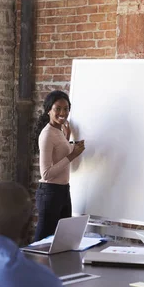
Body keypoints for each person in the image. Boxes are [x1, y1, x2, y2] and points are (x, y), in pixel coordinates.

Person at [33, 90, 85, 241]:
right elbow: (46, 174)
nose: (63, 112)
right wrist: (73, 155)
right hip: (50, 193)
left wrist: (67, 138)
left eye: (66, 108)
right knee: (41, 243)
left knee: (63, 241)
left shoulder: (59, 131)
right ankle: (31, 264)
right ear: (49, 110)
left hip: (63, 191)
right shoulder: (47, 134)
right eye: (58, 109)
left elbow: (59, 152)